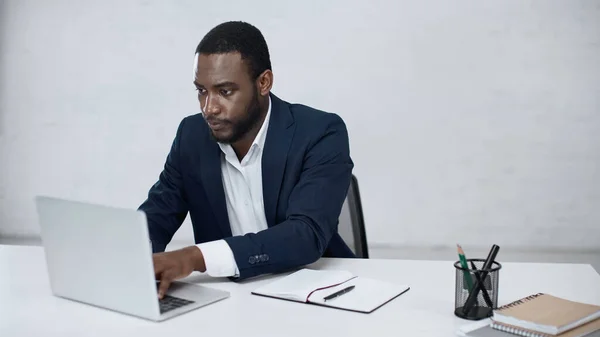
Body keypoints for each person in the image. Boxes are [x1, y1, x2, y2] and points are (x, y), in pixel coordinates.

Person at [138, 21, 354, 299]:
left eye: (225, 92)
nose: (209, 108)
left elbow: (306, 234)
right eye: (201, 91)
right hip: (228, 299)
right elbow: (157, 214)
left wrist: (194, 257)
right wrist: (134, 256)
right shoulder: (191, 136)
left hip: (314, 294)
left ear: (263, 82)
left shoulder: (320, 132)